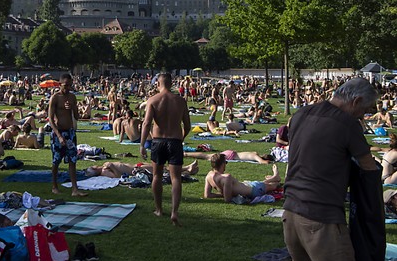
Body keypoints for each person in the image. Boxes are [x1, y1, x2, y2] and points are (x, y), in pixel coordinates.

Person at [282, 77, 379, 261]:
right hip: (320, 217)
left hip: (290, 212)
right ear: (356, 101)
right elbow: (369, 167)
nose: (362, 116)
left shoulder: (301, 113)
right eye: (365, 110)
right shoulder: (347, 124)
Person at [140, 72, 191, 226]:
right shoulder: (180, 101)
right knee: (175, 178)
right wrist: (181, 137)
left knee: (157, 176)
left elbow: (146, 123)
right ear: (172, 83)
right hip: (175, 140)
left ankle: (159, 209)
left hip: (158, 141)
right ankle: (174, 212)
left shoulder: (153, 100)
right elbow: (187, 126)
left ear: (158, 84)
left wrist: (142, 144)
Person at [48, 73, 87, 197]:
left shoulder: (72, 97)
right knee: (56, 160)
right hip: (58, 132)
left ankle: (75, 189)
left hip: (70, 132)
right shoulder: (55, 98)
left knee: (72, 160)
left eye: (70, 85)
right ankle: (54, 186)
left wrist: (73, 107)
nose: (68, 88)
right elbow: (50, 119)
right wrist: (58, 135)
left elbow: (77, 117)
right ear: (60, 84)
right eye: (65, 85)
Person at [203, 153, 280, 202]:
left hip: (249, 186)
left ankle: (275, 177)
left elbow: (207, 195)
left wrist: (221, 195)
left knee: (265, 184)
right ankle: (275, 177)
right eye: (226, 162)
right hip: (254, 190)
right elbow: (227, 199)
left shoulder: (208, 176)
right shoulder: (227, 178)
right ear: (222, 164)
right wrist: (223, 195)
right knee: (273, 186)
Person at [85, 160, 199, 179]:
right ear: (95, 172)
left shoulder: (105, 165)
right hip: (136, 170)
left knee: (162, 168)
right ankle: (187, 169)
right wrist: (113, 167)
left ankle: (187, 170)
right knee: (161, 169)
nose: (95, 166)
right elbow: (118, 177)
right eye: (93, 168)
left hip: (137, 165)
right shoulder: (105, 172)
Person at [185, 149, 273, 164]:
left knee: (207, 156)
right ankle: (186, 154)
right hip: (230, 155)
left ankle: (186, 154)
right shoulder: (255, 156)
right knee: (207, 156)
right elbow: (263, 162)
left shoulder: (254, 153)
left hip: (231, 153)